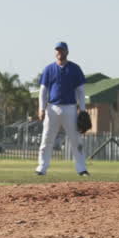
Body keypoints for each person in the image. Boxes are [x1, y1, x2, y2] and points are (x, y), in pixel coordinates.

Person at [36, 41, 89, 177]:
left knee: (75, 139)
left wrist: (82, 109)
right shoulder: (49, 69)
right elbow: (43, 90)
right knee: (47, 138)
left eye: (62, 50)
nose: (59, 52)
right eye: (57, 50)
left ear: (67, 52)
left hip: (70, 108)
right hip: (52, 108)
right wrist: (41, 108)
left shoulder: (74, 68)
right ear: (55, 52)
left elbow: (80, 91)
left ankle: (81, 168)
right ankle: (42, 167)